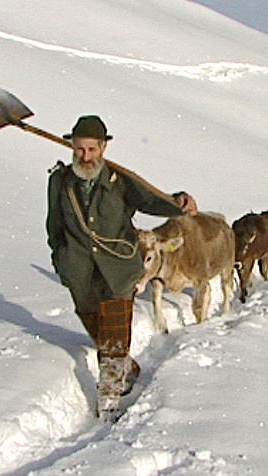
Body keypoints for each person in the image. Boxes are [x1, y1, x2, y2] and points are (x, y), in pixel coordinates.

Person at [46, 115, 198, 420]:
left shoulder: (119, 181)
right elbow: (54, 226)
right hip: (80, 275)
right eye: (78, 149)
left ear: (103, 147)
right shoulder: (60, 182)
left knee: (114, 341)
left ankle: (109, 404)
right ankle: (127, 369)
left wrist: (177, 202)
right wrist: (61, 259)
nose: (84, 156)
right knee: (100, 335)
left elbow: (152, 200)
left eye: (91, 149)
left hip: (118, 271)